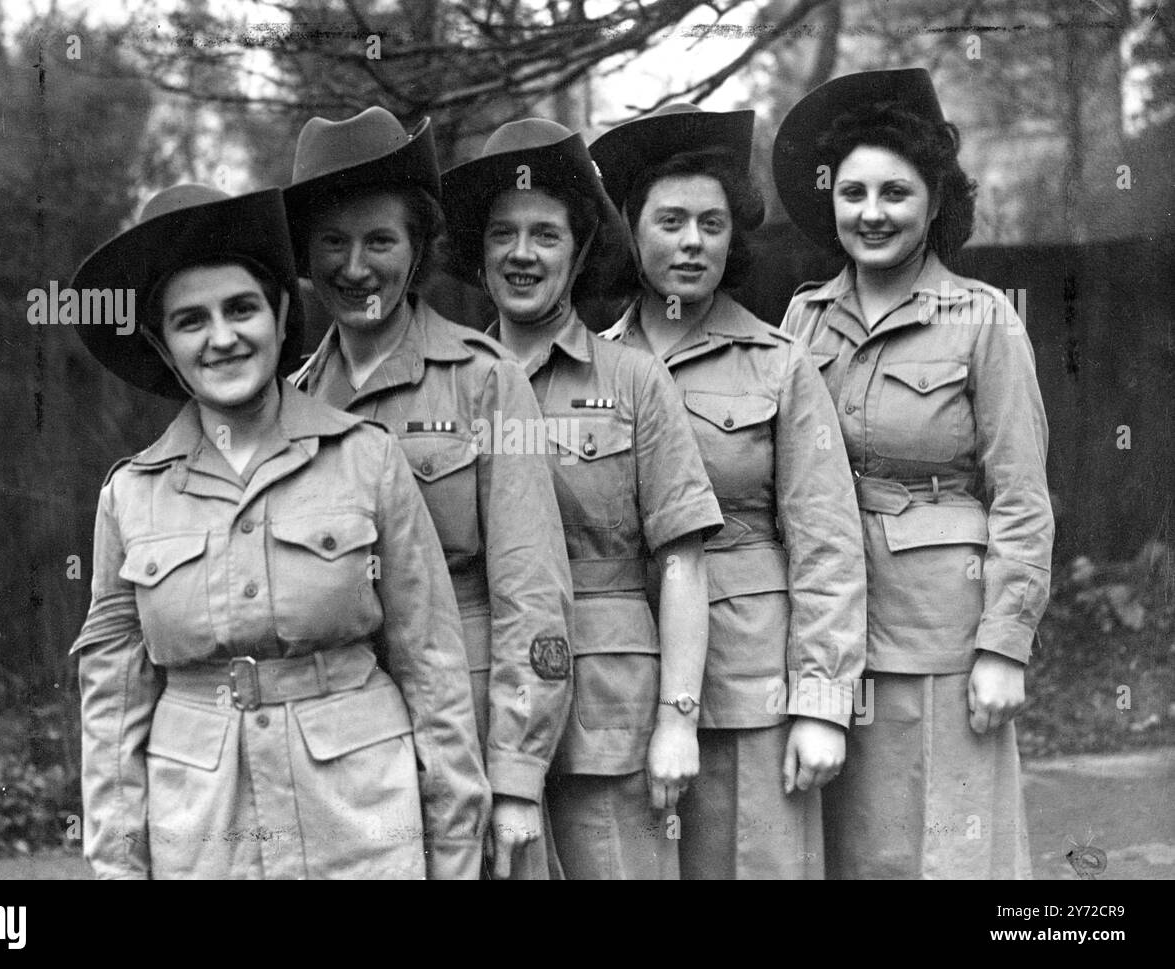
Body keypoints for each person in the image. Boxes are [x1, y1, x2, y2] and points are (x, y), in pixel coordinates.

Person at [69, 183, 489, 879]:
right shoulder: (130, 497)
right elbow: (113, 704)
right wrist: (119, 863)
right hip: (202, 828)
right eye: (190, 320)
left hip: (359, 817)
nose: (223, 337)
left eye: (242, 308)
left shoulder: (366, 459)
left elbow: (432, 665)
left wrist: (452, 849)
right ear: (161, 345)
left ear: (283, 313)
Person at [773, 68, 1054, 878]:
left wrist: (1006, 645)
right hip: (828, 637)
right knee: (853, 857)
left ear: (935, 202)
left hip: (944, 641)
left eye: (895, 192)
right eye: (853, 192)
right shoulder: (803, 319)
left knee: (952, 856)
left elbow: (1023, 499)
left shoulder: (984, 321)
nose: (871, 212)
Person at [283, 107, 574, 880]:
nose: (355, 268)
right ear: (306, 258)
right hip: (340, 739)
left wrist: (516, 775)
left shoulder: (484, 381)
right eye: (333, 243)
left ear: (417, 252)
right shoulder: (289, 403)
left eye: (380, 240)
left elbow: (533, 590)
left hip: (471, 722)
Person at [588, 103, 866, 879]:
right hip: (626, 681)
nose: (692, 242)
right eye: (670, 220)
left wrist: (820, 702)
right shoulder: (589, 369)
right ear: (631, 231)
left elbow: (828, 540)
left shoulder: (778, 362)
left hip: (754, 692)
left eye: (712, 223)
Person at [441, 119, 723, 879]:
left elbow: (685, 565)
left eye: (545, 235)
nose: (522, 255)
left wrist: (676, 720)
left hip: (611, 723)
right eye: (503, 234)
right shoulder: (447, 386)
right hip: (484, 721)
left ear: (582, 250)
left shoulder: (631, 381)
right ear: (479, 252)